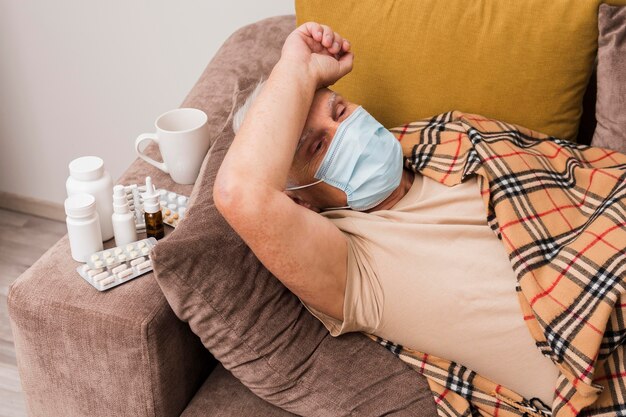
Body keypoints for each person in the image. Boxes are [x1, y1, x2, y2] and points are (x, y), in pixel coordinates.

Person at [214, 21, 559, 405]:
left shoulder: (451, 139)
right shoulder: (353, 266)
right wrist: (298, 65)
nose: (344, 130)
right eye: (317, 146)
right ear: (300, 201)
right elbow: (241, 194)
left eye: (340, 111)